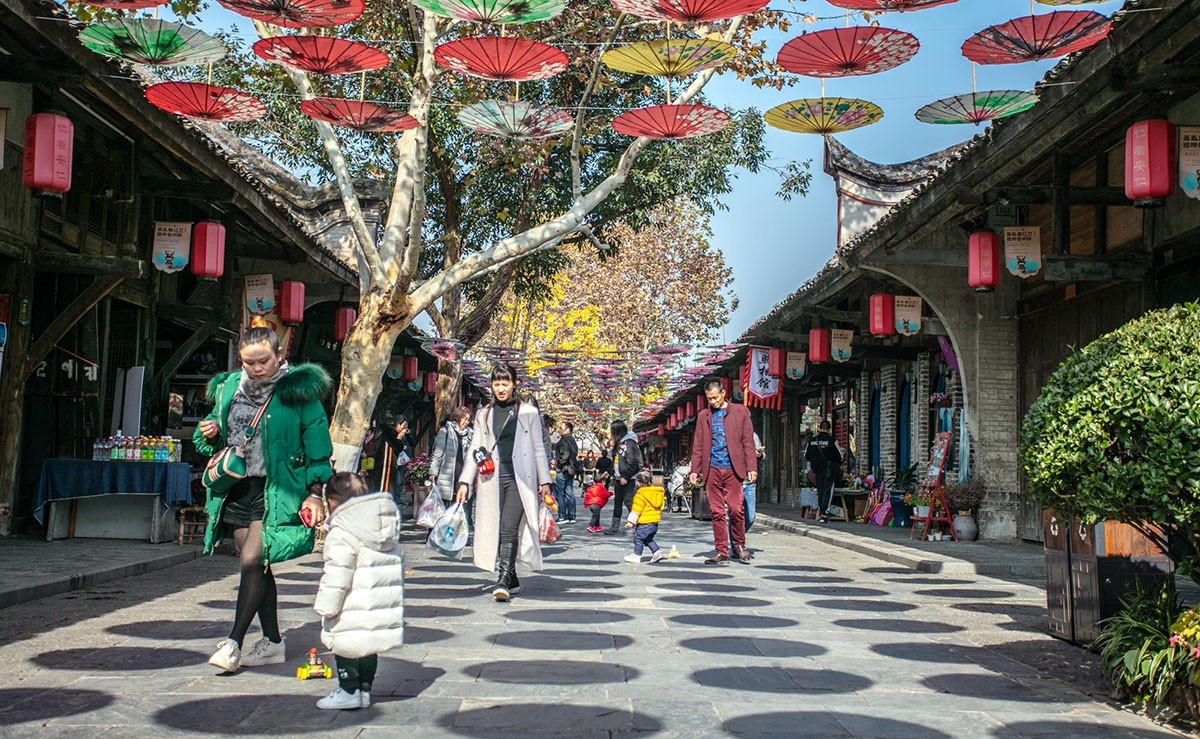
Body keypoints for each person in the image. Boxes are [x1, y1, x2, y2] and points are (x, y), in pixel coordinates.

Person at [194, 317, 333, 673]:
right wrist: (208, 431)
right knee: (259, 564)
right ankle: (272, 642)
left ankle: (233, 642)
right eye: (248, 362)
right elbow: (208, 436)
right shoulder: (227, 388)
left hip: (278, 489)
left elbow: (318, 447)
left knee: (252, 560)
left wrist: (315, 493)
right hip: (237, 487)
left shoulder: (299, 391)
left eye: (263, 361)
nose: (256, 369)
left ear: (280, 354)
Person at [455, 364, 552, 602]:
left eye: (505, 383)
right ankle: (513, 577)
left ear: (514, 384)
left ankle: (503, 579)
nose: (500, 388)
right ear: (491, 385)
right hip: (491, 480)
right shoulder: (483, 414)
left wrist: (545, 481)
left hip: (521, 482)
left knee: (509, 528)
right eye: (496, 383)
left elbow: (539, 449)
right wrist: (465, 482)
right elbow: (474, 450)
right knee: (496, 529)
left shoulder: (528, 412)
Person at [313, 472, 405, 710]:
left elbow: (337, 576)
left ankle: (349, 689)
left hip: (351, 606)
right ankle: (364, 689)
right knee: (368, 648)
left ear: (333, 502)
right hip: (379, 605)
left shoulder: (343, 532)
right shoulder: (383, 525)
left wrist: (326, 607)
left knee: (346, 646)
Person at [689, 380, 757, 564]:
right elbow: (698, 445)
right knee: (717, 512)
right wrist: (694, 470)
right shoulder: (704, 416)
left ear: (723, 393)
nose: (713, 402)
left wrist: (751, 466)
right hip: (712, 470)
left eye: (715, 397)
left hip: (734, 469)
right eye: (709, 399)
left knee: (736, 509)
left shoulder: (740, 412)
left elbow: (748, 442)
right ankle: (722, 551)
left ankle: (740, 545)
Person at [428, 406, 473, 525]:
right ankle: (438, 532)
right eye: (464, 419)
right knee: (444, 505)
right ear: (457, 418)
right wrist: (433, 472)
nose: (466, 422)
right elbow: (438, 453)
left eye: (468, 420)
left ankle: (459, 533)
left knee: (462, 504)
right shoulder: (445, 431)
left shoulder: (470, 434)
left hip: (463, 476)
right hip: (447, 475)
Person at [605, 420, 641, 536]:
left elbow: (634, 462)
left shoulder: (629, 443)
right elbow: (616, 461)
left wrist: (626, 476)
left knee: (629, 501)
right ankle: (614, 526)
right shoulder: (619, 443)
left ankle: (639, 524)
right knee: (618, 502)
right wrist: (609, 472)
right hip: (618, 478)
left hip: (627, 479)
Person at [624, 471, 666, 564]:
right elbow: (661, 506)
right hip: (654, 522)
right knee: (648, 539)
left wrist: (631, 521)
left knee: (638, 538)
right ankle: (657, 552)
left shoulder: (640, 494)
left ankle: (636, 555)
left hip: (644, 522)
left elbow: (636, 509)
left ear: (638, 483)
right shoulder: (657, 492)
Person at [805, 420, 842, 524]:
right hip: (828, 471)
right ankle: (824, 514)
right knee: (828, 492)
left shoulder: (812, 441)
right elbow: (840, 456)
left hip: (817, 470)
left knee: (820, 491)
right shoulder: (832, 440)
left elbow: (806, 456)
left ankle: (822, 512)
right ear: (829, 429)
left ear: (819, 428)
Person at [553, 421, 579, 524]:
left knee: (560, 493)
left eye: (561, 427)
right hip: (571, 469)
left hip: (563, 469)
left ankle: (562, 516)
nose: (559, 429)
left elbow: (565, 455)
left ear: (567, 429)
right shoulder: (572, 440)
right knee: (569, 492)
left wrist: (558, 464)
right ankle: (571, 515)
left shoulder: (564, 440)